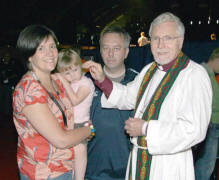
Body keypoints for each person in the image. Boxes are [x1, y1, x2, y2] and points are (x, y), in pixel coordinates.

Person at [83, 12, 212, 180]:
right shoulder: (149, 70)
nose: (160, 45)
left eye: (168, 38)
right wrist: (102, 80)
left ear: (180, 41)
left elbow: (194, 130)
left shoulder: (194, 75)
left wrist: (145, 128)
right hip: (138, 161)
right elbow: (128, 96)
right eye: (156, 38)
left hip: (168, 166)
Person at [13, 24, 95, 180]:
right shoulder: (29, 91)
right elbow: (61, 140)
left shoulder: (56, 79)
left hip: (67, 165)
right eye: (41, 48)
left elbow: (74, 69)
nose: (50, 53)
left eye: (52, 46)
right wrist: (89, 129)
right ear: (29, 55)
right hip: (46, 172)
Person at [85, 25, 138, 180]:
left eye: (116, 48)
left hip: (127, 170)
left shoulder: (138, 82)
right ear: (100, 51)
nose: (110, 54)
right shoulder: (86, 82)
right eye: (105, 48)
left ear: (126, 52)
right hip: (92, 170)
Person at [56, 48, 95, 180]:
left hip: (80, 124)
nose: (72, 75)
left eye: (75, 70)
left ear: (80, 67)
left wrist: (63, 80)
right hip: (67, 124)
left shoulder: (86, 82)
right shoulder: (71, 82)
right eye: (67, 73)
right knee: (69, 158)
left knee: (80, 156)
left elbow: (75, 100)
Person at [195, 47, 219, 180]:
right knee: (206, 165)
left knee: (207, 164)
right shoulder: (202, 73)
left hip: (213, 124)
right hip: (211, 125)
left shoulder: (209, 74)